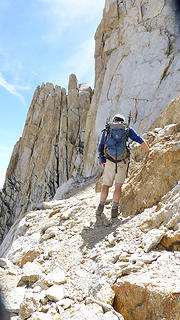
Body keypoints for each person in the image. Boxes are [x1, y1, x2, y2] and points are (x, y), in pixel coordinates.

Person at [96, 114, 150, 218]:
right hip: (122, 161)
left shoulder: (108, 129)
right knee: (118, 186)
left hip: (110, 160)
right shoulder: (127, 129)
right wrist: (148, 150)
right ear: (123, 121)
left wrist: (102, 159)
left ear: (114, 120)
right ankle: (114, 210)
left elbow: (101, 146)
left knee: (106, 185)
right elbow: (139, 139)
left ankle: (100, 208)